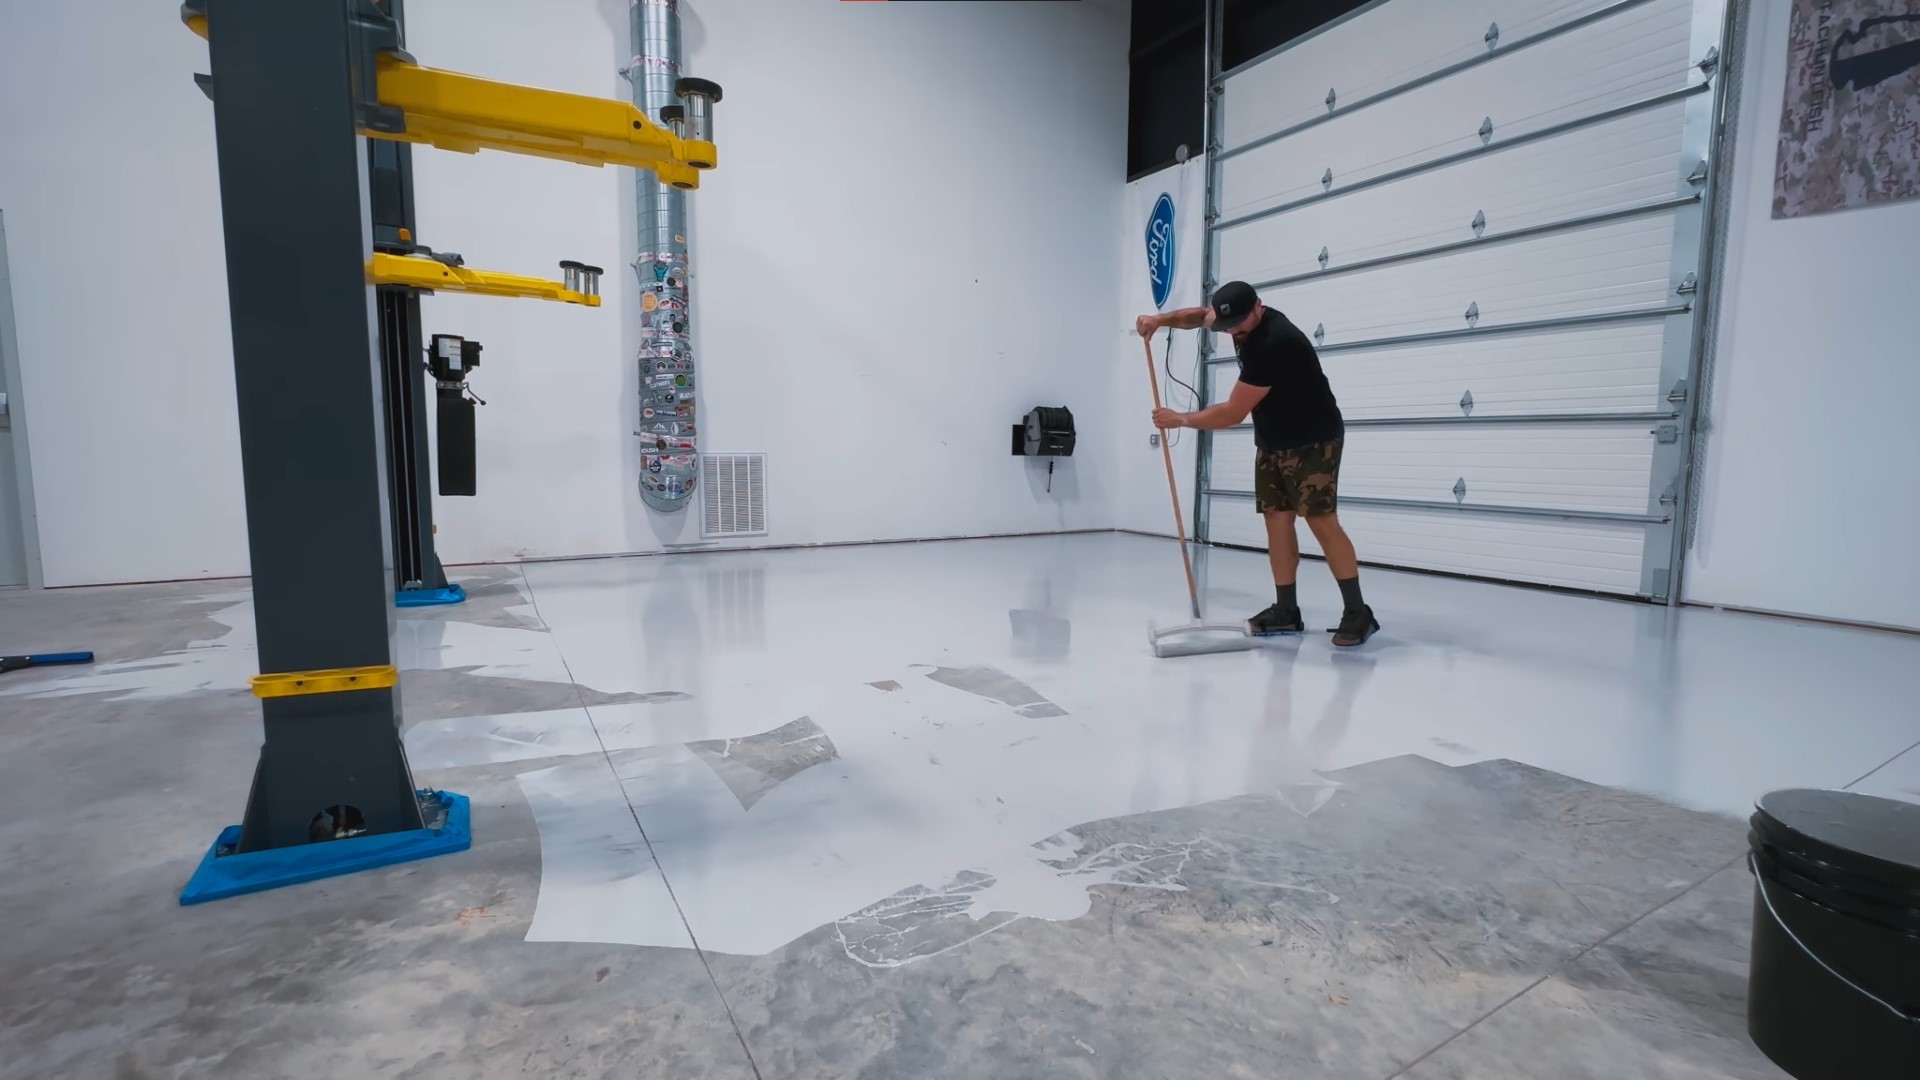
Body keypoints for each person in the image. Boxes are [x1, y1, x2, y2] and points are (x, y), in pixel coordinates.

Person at [1137, 280, 1379, 647]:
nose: (1232, 332)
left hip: (1313, 439)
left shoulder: (1274, 342)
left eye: (1238, 326)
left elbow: (1233, 413)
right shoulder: (1232, 318)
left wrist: (1181, 419)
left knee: (1320, 520)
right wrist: (1160, 319)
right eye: (1226, 327)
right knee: (1276, 519)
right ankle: (1286, 610)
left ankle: (1358, 612)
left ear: (1258, 307)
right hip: (1273, 439)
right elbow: (1198, 316)